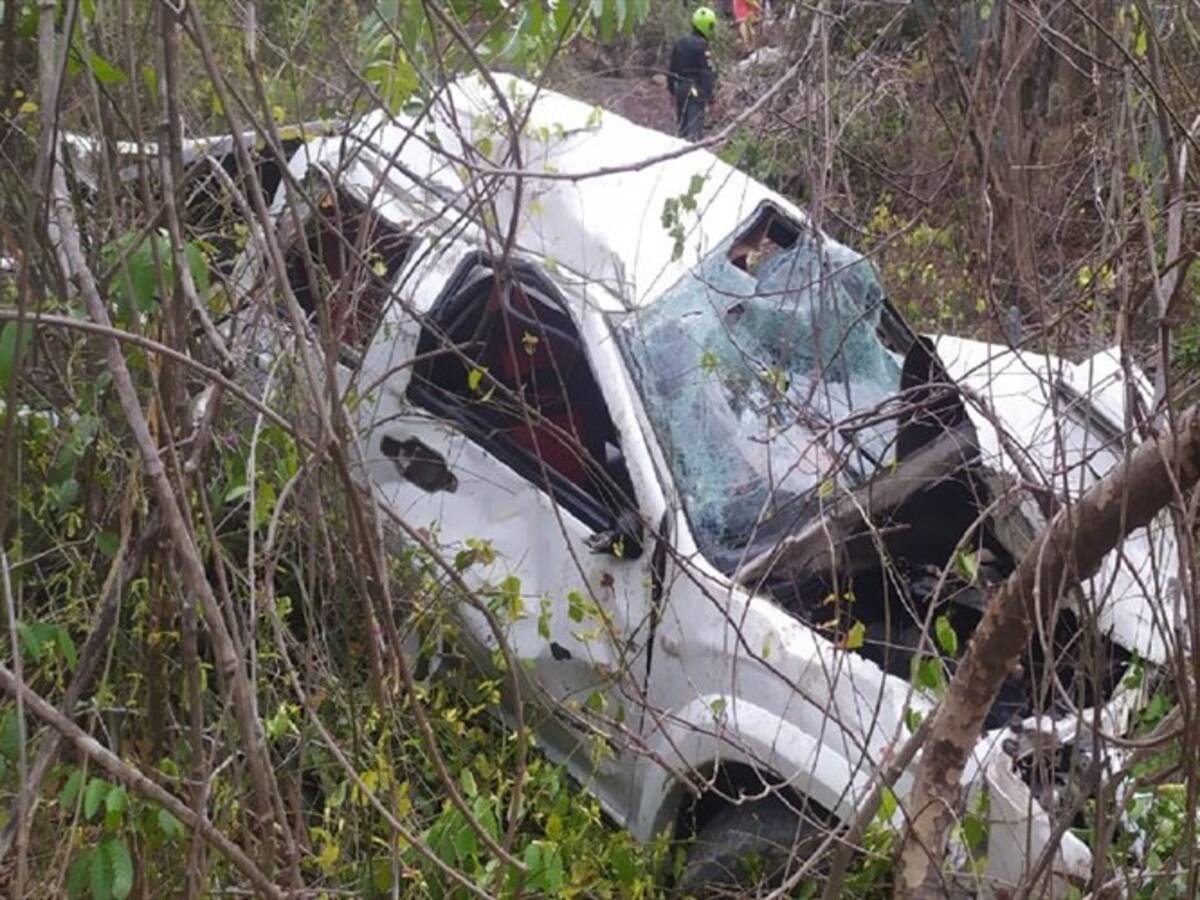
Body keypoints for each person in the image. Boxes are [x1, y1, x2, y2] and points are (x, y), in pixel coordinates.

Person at [668, 7, 717, 141]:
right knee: (694, 134)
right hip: (696, 91)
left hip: (680, 89)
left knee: (682, 131)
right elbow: (706, 74)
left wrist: (672, 92)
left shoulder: (680, 43)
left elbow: (671, 69)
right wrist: (711, 98)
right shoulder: (703, 46)